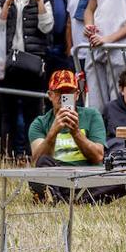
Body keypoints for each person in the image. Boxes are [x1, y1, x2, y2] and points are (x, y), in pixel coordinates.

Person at [0, 0, 52, 155]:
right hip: (7, 62)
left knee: (33, 112)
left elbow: (47, 27)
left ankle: (31, 154)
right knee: (7, 112)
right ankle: (7, 154)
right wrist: (7, 3)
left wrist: (39, 1)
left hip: (32, 62)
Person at [27, 70, 106, 202]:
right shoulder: (40, 123)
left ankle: (60, 196)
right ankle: (73, 196)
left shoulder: (92, 115)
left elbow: (98, 156)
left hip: (87, 177)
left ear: (76, 95)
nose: (63, 97)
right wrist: (52, 133)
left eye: (68, 93)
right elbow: (37, 162)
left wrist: (76, 133)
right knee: (42, 164)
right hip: (57, 177)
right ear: (50, 95)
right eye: (59, 92)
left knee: (122, 182)